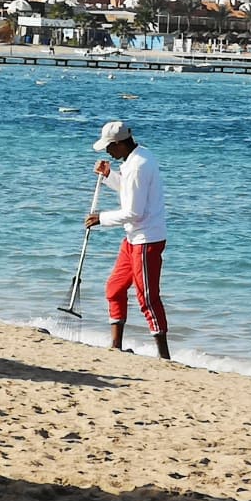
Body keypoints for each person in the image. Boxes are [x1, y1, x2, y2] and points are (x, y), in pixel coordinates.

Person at [84, 121, 170, 359]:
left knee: (147, 298)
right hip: (133, 238)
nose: (107, 152)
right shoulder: (137, 157)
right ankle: (116, 346)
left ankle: (164, 356)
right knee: (115, 288)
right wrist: (109, 175)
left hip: (146, 239)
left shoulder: (139, 165)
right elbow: (130, 190)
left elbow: (134, 212)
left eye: (109, 147)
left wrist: (101, 218)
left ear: (120, 143)